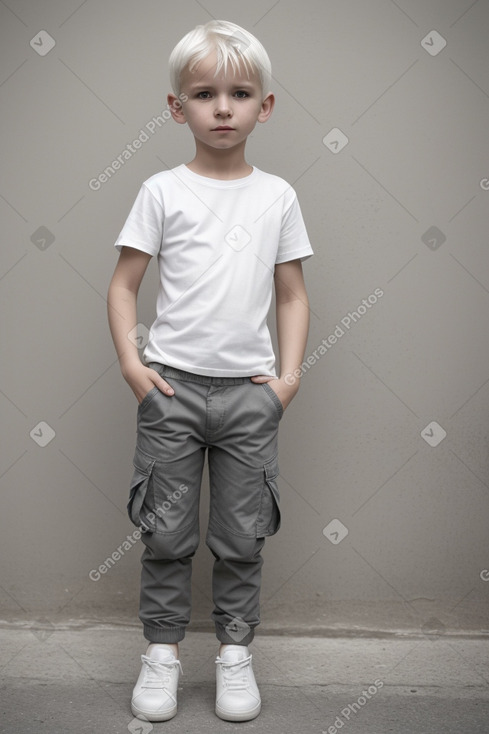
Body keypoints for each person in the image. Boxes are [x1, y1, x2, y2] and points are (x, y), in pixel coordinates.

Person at [107, 19, 313, 724]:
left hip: (250, 400)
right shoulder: (161, 191)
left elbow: (291, 293)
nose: (222, 107)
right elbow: (123, 285)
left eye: (239, 93)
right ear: (176, 108)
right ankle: (161, 656)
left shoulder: (277, 197)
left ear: (265, 106)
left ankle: (233, 656)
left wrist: (286, 381)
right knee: (164, 535)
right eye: (203, 93)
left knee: (240, 536)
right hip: (171, 393)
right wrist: (135, 368)